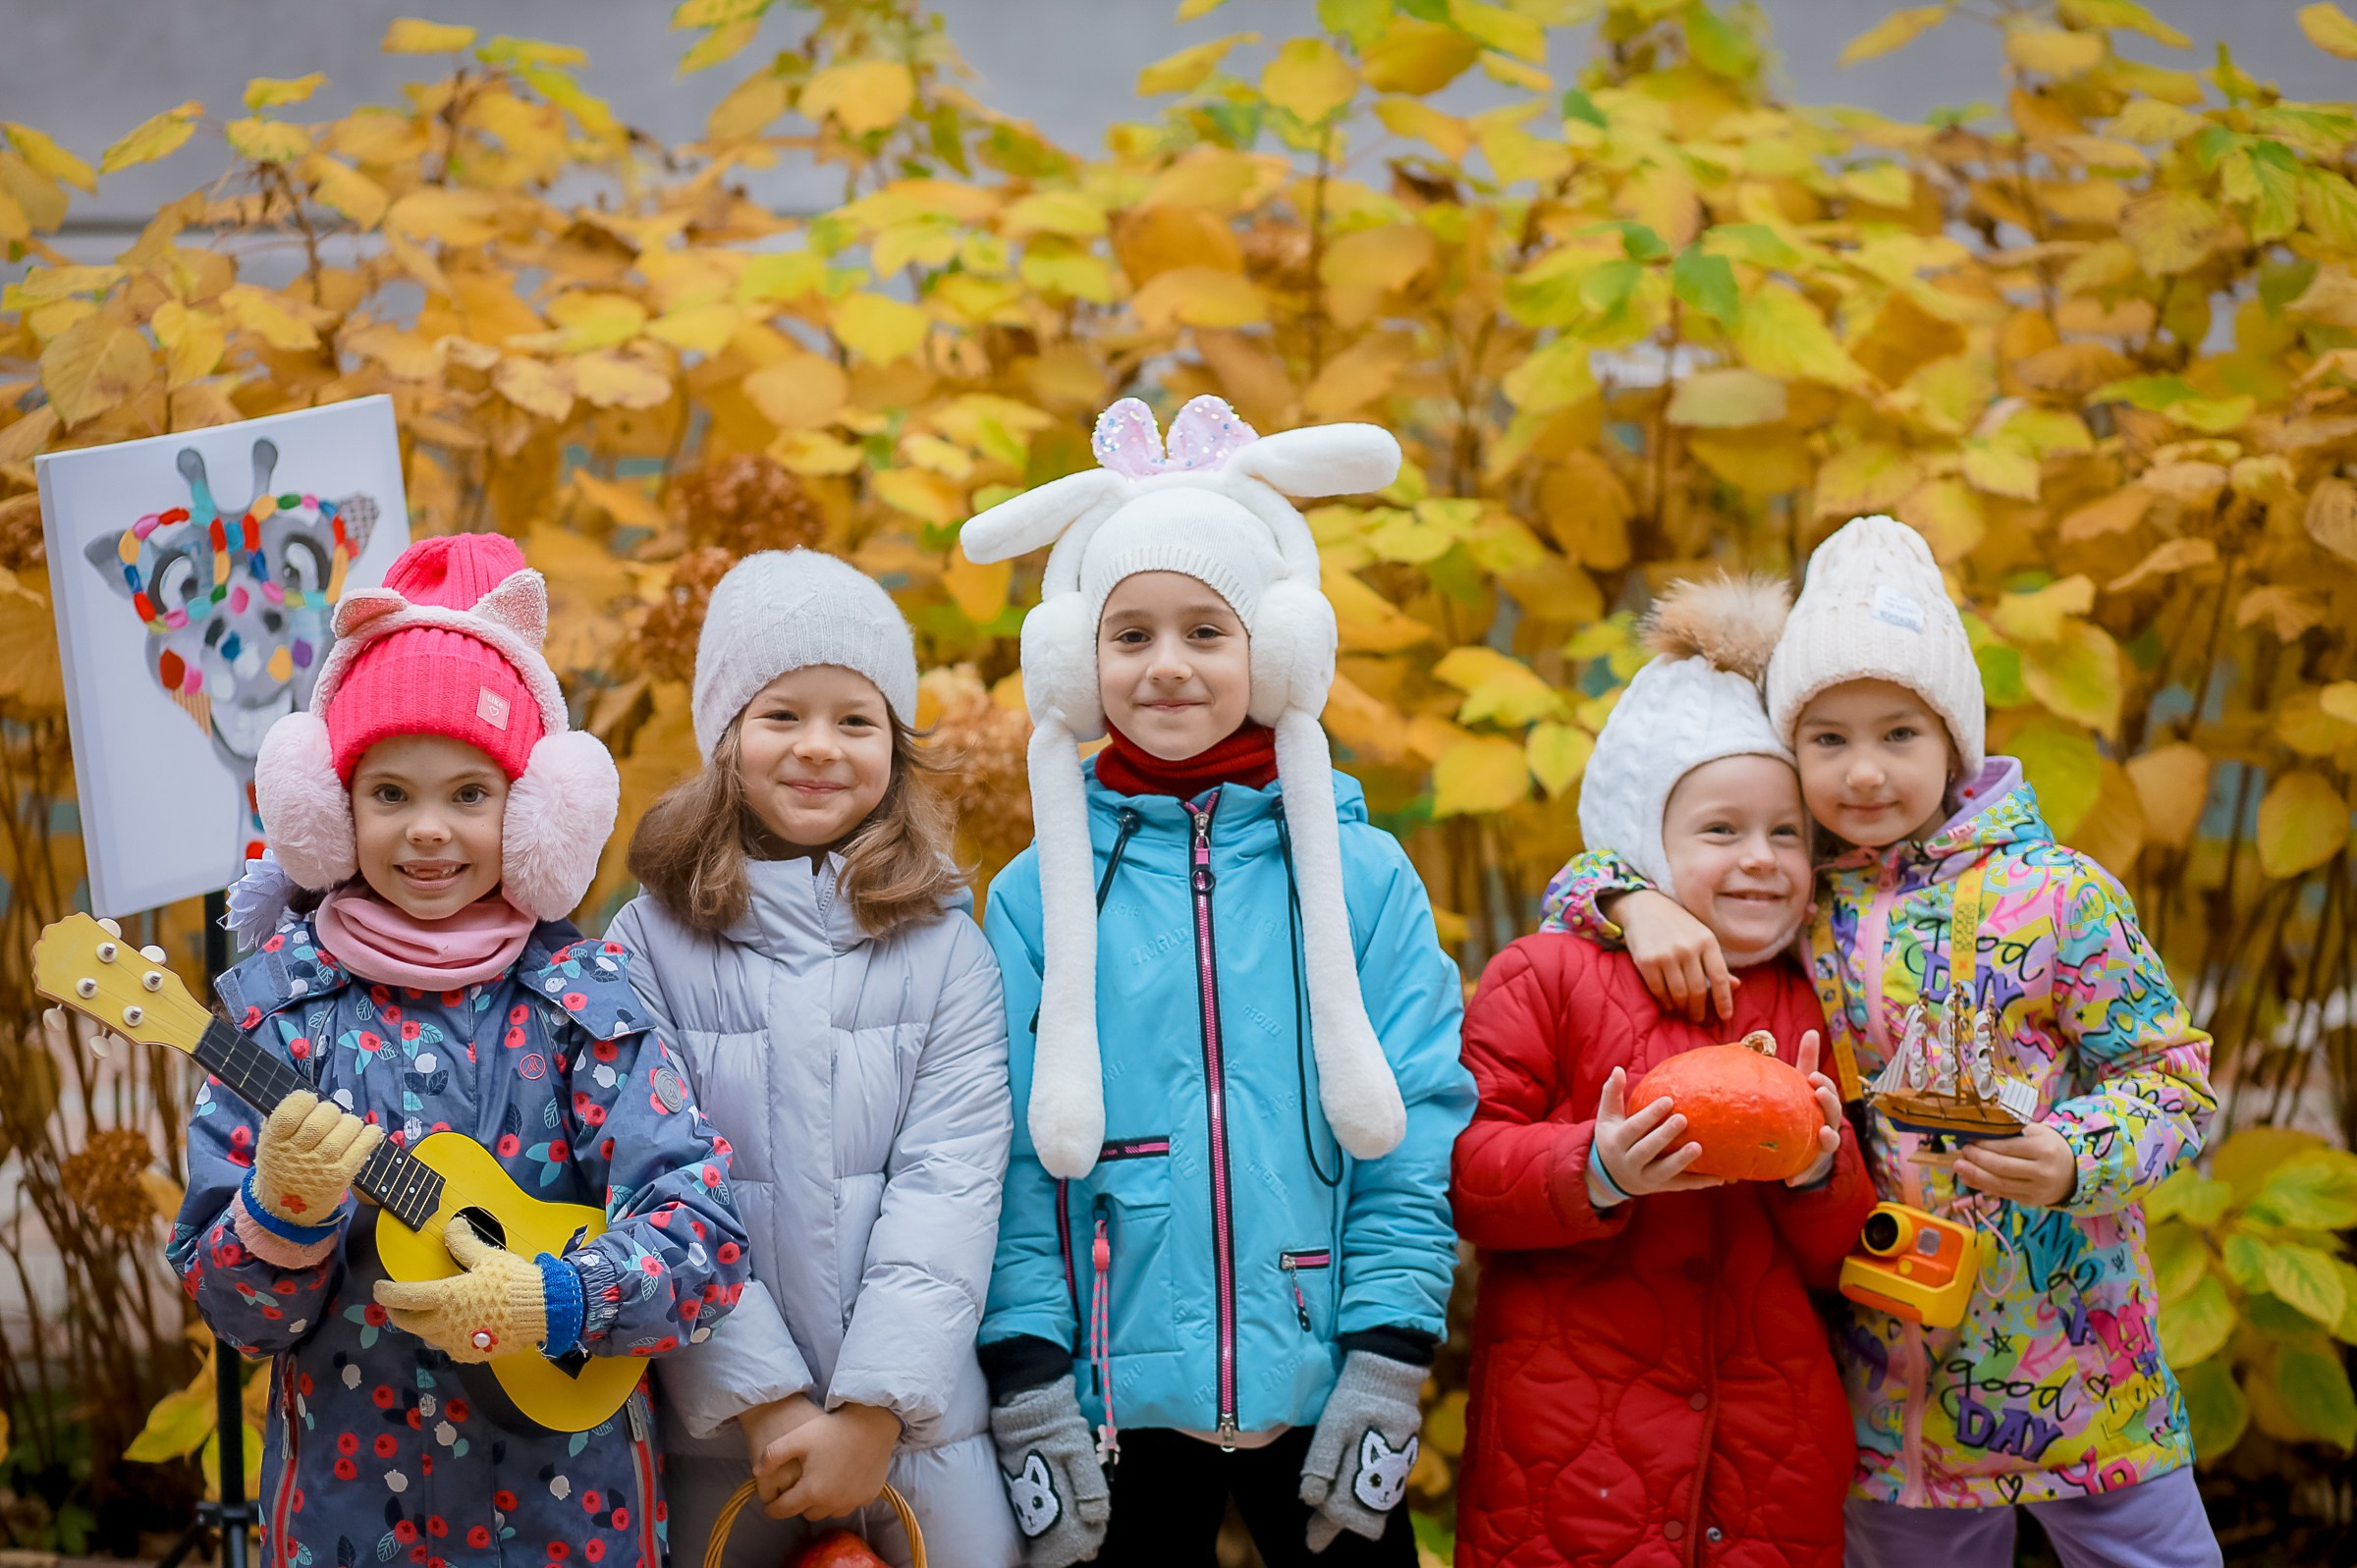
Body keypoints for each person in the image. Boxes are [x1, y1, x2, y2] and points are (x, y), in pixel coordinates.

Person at [1549, 516, 2220, 1568]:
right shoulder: (1800, 896)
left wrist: (2075, 1155)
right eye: (1828, 738)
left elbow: (2172, 1081)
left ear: (1955, 735)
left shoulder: (2061, 895)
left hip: (2080, 1356)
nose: (1863, 772)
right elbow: (1586, 874)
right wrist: (1633, 902)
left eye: (1898, 733)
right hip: (1890, 1372)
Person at [959, 396, 1476, 1566]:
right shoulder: (1038, 894)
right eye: (1130, 635)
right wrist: (1031, 1375)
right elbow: (998, 1163)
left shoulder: (1362, 874)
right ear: (1078, 661)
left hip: (1327, 1380)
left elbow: (1417, 1121)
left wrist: (1391, 1355)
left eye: (1207, 629)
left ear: (1276, 648)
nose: (1169, 665)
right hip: (1106, 1410)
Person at [170, 532, 751, 1568]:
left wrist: (561, 1295)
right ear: (332, 807)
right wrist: (278, 1212)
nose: (428, 831)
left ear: (532, 811)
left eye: (469, 795)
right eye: (390, 793)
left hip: (570, 1518)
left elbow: (706, 1240)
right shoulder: (277, 1015)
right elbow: (237, 1319)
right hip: (351, 1525)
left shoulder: (581, 1005)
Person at [607, 549, 1020, 1568]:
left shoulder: (945, 951)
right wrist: (765, 1399)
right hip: (719, 1435)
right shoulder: (643, 945)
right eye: (782, 714)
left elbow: (950, 1185)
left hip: (924, 1436)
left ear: (895, 744)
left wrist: (875, 1409)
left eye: (855, 719)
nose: (819, 748)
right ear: (724, 735)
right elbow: (651, 1173)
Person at [1453, 573, 1876, 1567]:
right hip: (1572, 1453)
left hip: (1765, 1456)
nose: (1762, 859)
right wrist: (1595, 1166)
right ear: (1647, 842)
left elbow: (1844, 1256)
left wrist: (1821, 1167)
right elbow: (1467, 1172)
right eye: (1720, 830)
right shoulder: (1547, 973)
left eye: (1787, 834)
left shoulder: (1816, 998)